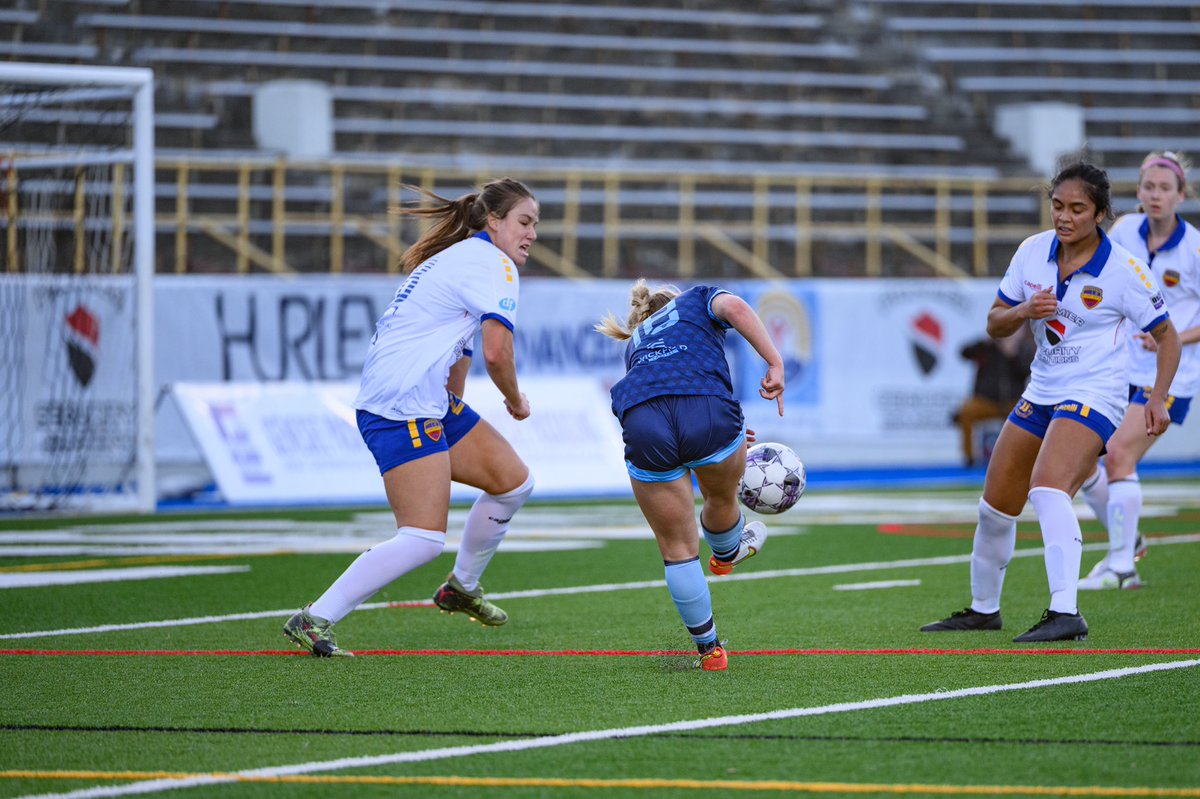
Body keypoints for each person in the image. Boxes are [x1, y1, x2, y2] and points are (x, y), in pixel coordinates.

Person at [920, 161, 1181, 643]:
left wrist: (1159, 398)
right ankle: (983, 610)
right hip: (1041, 389)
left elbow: (1168, 338)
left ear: (1100, 213)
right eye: (1058, 206)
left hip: (1096, 394)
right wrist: (1022, 311)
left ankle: (1066, 611)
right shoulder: (1032, 251)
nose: (1064, 217)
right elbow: (995, 322)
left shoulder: (1124, 270)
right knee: (995, 505)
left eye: (1077, 209)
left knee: (1047, 488)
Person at [283, 177, 540, 657]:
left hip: (424, 401)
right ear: (494, 221)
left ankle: (461, 587)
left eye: (535, 225)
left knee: (513, 483)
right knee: (422, 538)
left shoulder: (460, 258)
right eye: (524, 222)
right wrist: (516, 400)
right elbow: (497, 352)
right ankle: (314, 617)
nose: (531, 234)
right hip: (400, 405)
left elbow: (459, 350)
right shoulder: (493, 265)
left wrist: (451, 414)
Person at [595, 280, 785, 671]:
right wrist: (774, 361)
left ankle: (710, 651)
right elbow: (736, 309)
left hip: (643, 418)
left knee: (677, 551)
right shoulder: (697, 298)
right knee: (720, 497)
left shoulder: (636, 342)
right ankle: (727, 552)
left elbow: (664, 393)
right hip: (707, 408)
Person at [1077, 151, 1200, 590]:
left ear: (1181, 195)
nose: (1155, 195)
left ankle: (1121, 565)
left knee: (1120, 455)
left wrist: (1171, 337)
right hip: (1118, 366)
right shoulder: (1126, 229)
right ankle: (1127, 540)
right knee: (1082, 459)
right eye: (1149, 186)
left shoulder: (1194, 248)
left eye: (1165, 188)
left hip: (1168, 376)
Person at [952, 327, 1034, 466]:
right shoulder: (986, 347)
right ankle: (969, 458)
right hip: (986, 401)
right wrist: (984, 342)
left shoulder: (1022, 349)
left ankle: (1021, 458)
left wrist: (1012, 354)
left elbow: (1027, 371)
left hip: (1012, 402)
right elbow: (964, 353)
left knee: (1030, 416)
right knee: (966, 412)